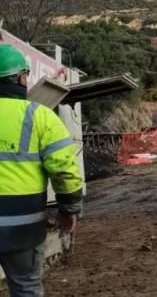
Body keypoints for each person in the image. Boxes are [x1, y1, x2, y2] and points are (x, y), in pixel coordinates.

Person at [0, 44, 83, 297]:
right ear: (21, 77)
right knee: (26, 288)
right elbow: (65, 171)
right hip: (22, 229)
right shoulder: (40, 117)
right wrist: (69, 210)